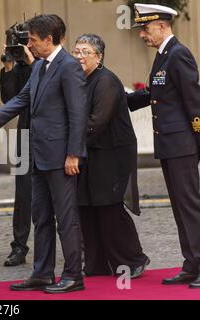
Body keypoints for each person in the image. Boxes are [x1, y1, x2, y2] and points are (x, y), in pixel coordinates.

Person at [0, 14, 88, 294]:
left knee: (66, 219)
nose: (29, 45)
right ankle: (42, 272)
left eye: (33, 40)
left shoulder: (69, 67)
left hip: (61, 157)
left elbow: (78, 114)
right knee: (40, 216)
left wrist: (74, 154)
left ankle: (73, 275)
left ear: (49, 40)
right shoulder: (40, 66)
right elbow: (22, 98)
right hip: (38, 155)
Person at [129, 3, 200, 289]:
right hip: (171, 145)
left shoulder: (178, 55)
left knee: (191, 207)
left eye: (145, 29)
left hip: (183, 145)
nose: (142, 35)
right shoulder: (163, 56)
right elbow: (153, 94)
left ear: (162, 25)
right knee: (180, 209)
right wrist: (116, 100)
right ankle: (191, 264)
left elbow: (194, 104)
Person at [72, 34, 150, 279]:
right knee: (86, 205)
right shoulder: (78, 79)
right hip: (88, 151)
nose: (80, 57)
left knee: (109, 207)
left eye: (86, 52)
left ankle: (133, 260)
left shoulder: (106, 81)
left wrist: (70, 145)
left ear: (99, 56)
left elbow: (97, 123)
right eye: (76, 52)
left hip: (111, 152)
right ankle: (96, 264)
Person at [0, 46, 35, 267]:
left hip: (52, 137)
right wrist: (8, 65)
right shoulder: (18, 67)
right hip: (25, 135)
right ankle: (19, 247)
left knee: (60, 195)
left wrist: (33, 62)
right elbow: (9, 99)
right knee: (23, 195)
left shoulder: (52, 64)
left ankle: (75, 245)